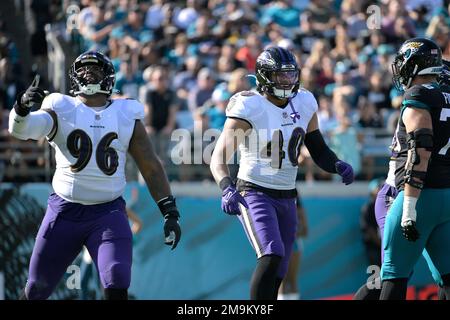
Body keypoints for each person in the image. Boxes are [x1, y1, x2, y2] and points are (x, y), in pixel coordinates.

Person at [8, 51, 181, 300]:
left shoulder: (125, 114)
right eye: (82, 70)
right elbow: (22, 130)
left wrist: (169, 210)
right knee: (36, 288)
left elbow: (150, 165)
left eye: (95, 69)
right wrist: (22, 108)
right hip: (64, 212)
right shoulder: (62, 107)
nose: (88, 74)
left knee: (117, 278)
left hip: (107, 213)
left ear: (108, 77)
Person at [210, 46, 354, 300]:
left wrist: (336, 164)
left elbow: (317, 148)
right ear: (265, 77)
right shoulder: (250, 106)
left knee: (281, 269)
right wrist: (226, 187)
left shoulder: (305, 101)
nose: (287, 81)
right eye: (280, 76)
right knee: (271, 253)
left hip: (288, 195)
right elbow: (218, 157)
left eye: (290, 75)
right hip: (254, 190)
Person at [354, 57, 450, 301]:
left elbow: (423, 153)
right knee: (392, 274)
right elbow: (421, 153)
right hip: (399, 193)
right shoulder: (428, 101)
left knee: (436, 275)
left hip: (421, 194)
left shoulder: (424, 97)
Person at [379, 38, 450, 300]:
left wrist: (409, 207)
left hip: (421, 196)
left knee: (393, 276)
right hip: (447, 196)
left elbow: (421, 149)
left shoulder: (418, 94)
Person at [277, 193, 308, 300]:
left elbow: (305, 230)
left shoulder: (297, 205)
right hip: (278, 245)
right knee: (281, 280)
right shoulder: (271, 201)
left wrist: (290, 232)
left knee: (292, 280)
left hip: (293, 244)